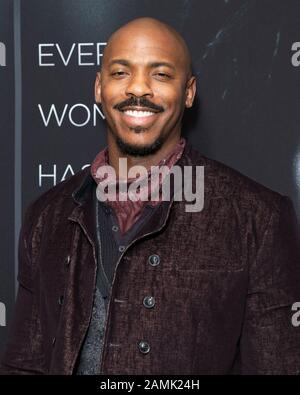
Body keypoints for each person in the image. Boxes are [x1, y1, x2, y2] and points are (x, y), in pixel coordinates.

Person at [1, 16, 300, 375]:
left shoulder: (258, 218)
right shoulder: (46, 215)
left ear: (188, 92)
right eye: (120, 73)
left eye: (160, 74)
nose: (138, 89)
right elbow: (22, 365)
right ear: (99, 88)